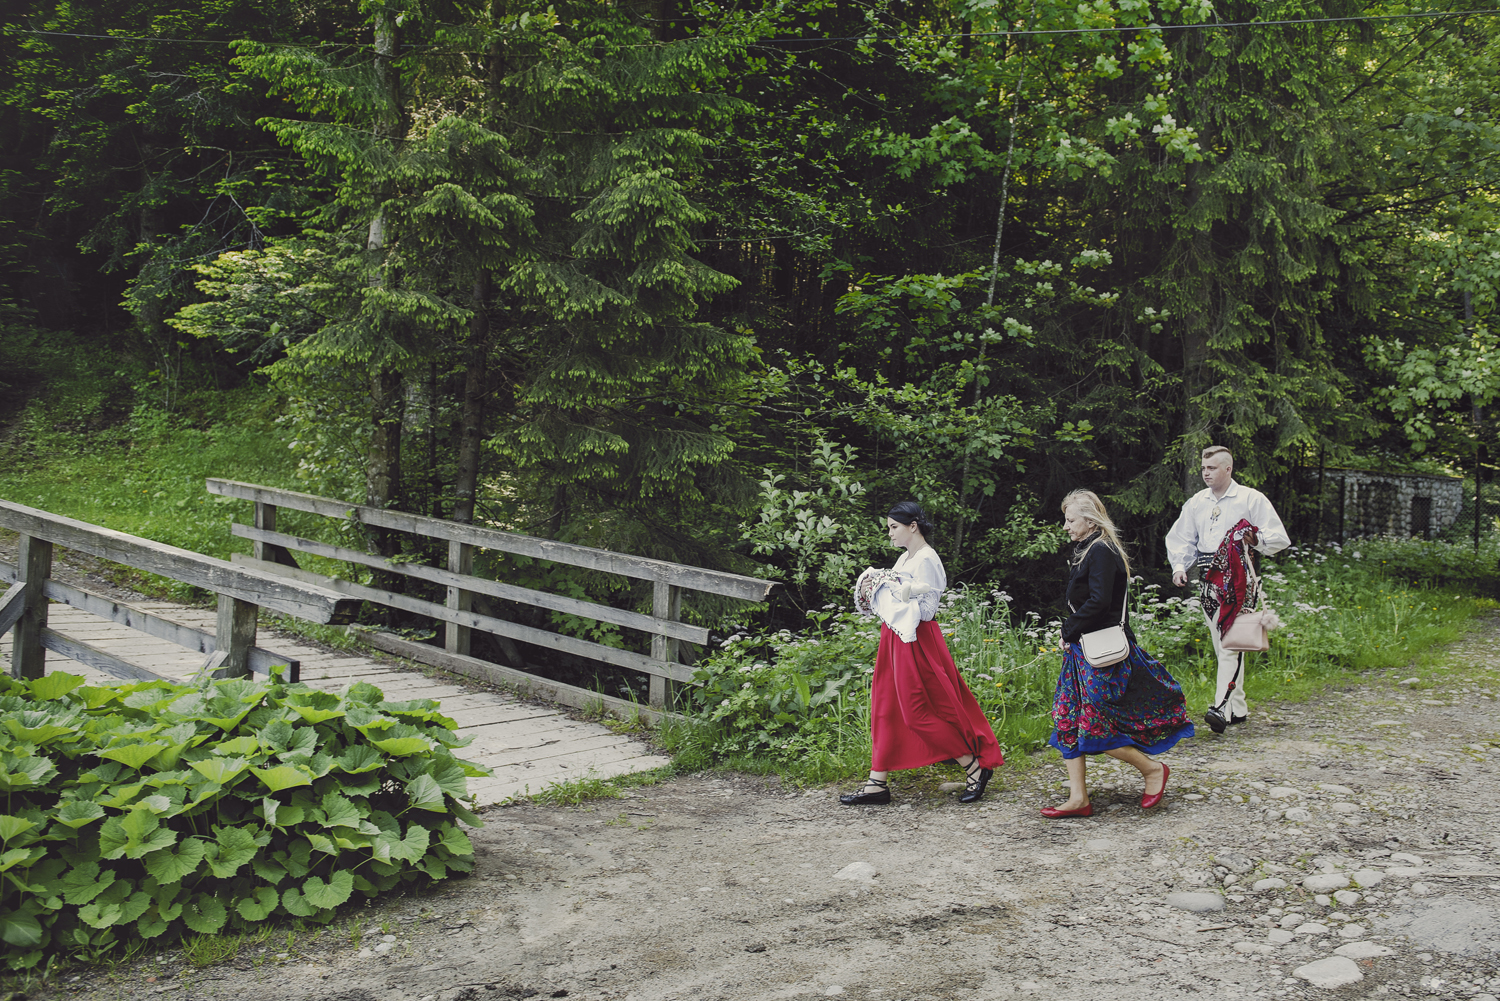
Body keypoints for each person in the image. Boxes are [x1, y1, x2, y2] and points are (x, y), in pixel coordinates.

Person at [1041, 490, 1195, 818]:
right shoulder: (1087, 549)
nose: (1066, 526)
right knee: (1067, 717)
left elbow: (1099, 602)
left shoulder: (1101, 550)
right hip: (1083, 651)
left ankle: (1152, 770)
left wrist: (1068, 629)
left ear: (1090, 520)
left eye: (1070, 520)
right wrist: (1071, 634)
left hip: (1103, 655)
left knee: (1097, 723)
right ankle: (1078, 798)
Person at [839, 502, 1005, 806]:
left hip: (917, 640)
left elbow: (927, 610)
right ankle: (877, 783)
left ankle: (973, 766)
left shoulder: (927, 558)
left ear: (912, 526)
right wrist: (876, 589)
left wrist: (892, 589)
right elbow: (895, 602)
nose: (890, 533)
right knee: (885, 707)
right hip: (894, 637)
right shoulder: (905, 557)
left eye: (894, 527)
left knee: (917, 713)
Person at [1165, 446, 1290, 733]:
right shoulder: (1197, 502)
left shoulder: (1250, 498)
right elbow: (1181, 537)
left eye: (1211, 468)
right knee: (1222, 643)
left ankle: (1221, 706)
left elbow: (1278, 537)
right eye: (1203, 468)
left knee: (1229, 644)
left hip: (1239, 579)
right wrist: (1179, 566)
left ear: (1228, 469)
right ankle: (1238, 707)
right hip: (1208, 579)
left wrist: (1254, 539)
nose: (1205, 473)